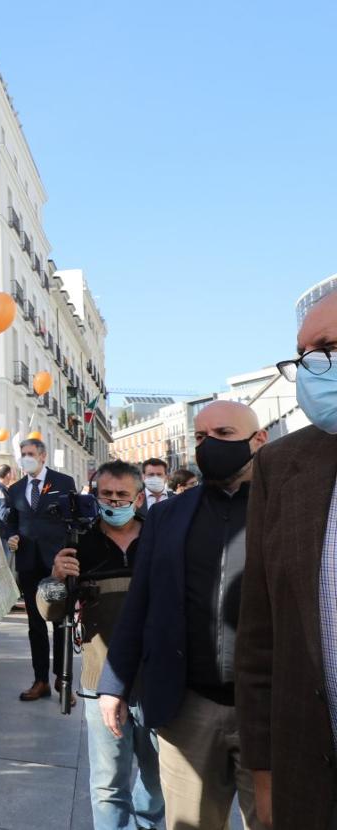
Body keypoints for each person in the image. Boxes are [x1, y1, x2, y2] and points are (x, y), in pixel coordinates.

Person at [98, 401, 268, 830]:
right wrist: (114, 685)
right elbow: (142, 600)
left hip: (270, 712)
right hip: (188, 709)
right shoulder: (169, 515)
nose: (208, 445)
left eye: (224, 434)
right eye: (199, 436)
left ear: (258, 440)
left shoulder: (287, 507)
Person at [237, 294, 337, 830]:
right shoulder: (280, 466)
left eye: (326, 348)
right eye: (302, 355)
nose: (310, 370)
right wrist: (266, 777)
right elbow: (260, 640)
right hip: (310, 788)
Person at [41, 461, 165, 830]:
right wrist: (55, 578)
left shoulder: (159, 538)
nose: (113, 502)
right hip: (101, 680)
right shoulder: (79, 542)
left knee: (156, 779)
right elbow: (51, 610)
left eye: (121, 495)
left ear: (138, 497)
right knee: (108, 784)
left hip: (156, 679)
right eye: (105, 495)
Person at [4, 438, 78, 701]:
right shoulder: (15, 489)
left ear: (43, 456)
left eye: (30, 454)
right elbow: (10, 521)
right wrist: (11, 536)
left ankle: (62, 679)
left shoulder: (63, 482)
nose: (26, 458)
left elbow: (74, 520)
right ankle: (40, 680)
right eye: (22, 454)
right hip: (28, 563)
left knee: (60, 622)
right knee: (35, 625)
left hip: (56, 563)